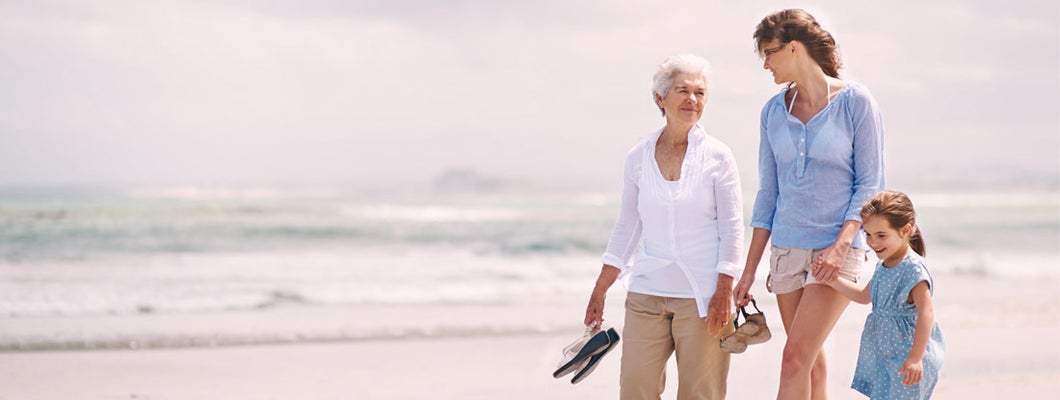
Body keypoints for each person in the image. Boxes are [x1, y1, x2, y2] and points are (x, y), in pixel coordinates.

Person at [732, 9, 886, 400]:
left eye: (769, 53)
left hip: (836, 251)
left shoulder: (855, 101)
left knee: (794, 358)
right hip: (786, 251)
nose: (765, 64)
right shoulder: (772, 112)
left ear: (795, 48)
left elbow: (869, 184)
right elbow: (769, 194)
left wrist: (840, 246)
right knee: (811, 362)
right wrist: (748, 271)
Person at [583, 54, 744, 400]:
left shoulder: (718, 157)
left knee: (700, 393)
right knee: (635, 389)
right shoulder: (638, 156)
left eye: (700, 93)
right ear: (660, 98)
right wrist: (601, 288)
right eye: (683, 90)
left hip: (703, 297)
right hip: (647, 292)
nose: (692, 100)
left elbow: (732, 229)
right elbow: (627, 227)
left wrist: (723, 290)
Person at [826, 190, 945, 399]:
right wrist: (831, 279)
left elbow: (926, 313)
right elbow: (865, 296)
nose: (873, 243)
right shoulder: (885, 264)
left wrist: (915, 358)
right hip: (883, 351)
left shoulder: (913, 269)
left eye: (881, 235)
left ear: (905, 230)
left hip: (907, 353)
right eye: (868, 235)